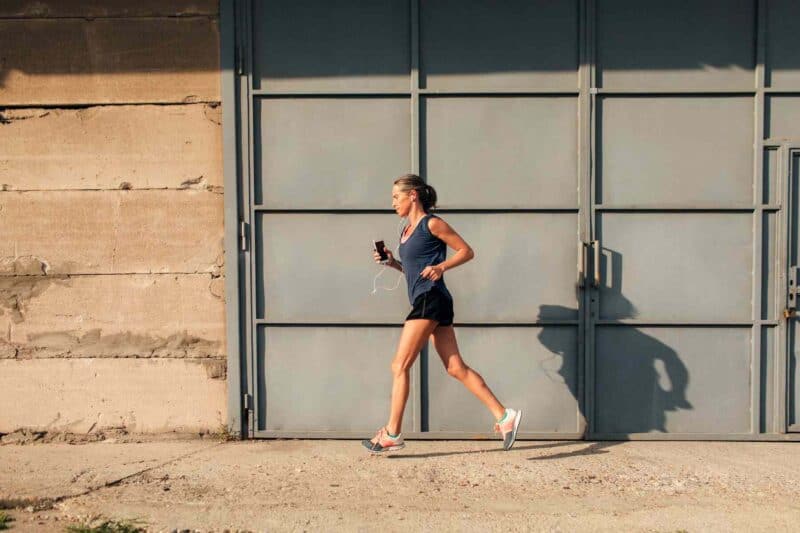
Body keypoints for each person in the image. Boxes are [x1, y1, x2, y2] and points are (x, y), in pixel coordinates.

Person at [363, 174, 522, 453]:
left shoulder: (432, 223)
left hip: (430, 299)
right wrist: (392, 263)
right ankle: (504, 416)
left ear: (413, 195)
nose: (392, 203)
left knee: (399, 366)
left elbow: (466, 251)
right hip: (430, 299)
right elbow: (413, 270)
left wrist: (442, 267)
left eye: (396, 197)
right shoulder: (406, 231)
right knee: (455, 368)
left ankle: (392, 433)